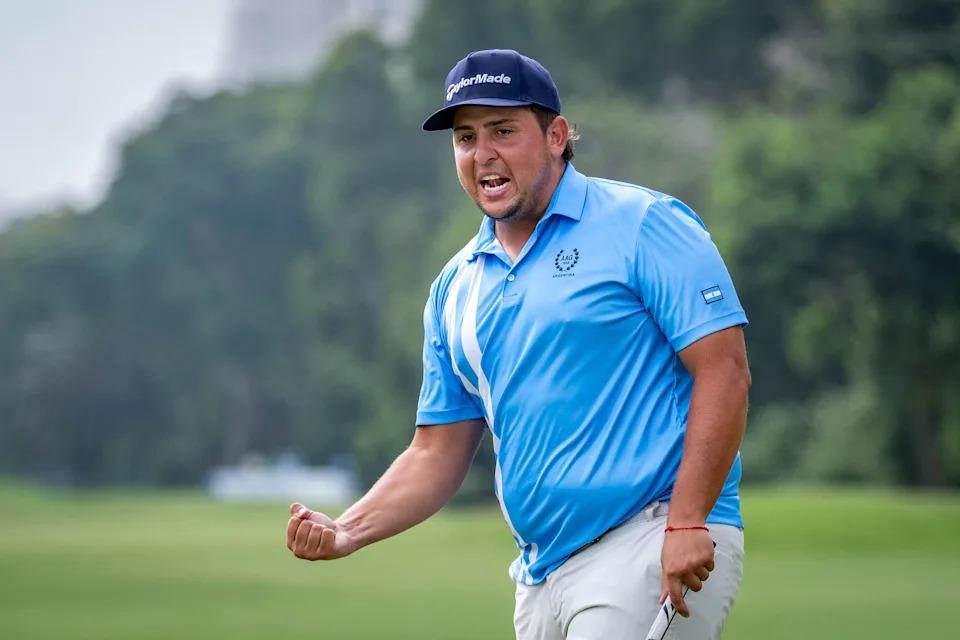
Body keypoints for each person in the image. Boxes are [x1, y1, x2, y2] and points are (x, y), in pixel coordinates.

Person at [286, 48, 751, 640]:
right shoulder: (455, 286)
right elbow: (436, 452)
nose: (482, 153)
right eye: (465, 138)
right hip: (539, 574)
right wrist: (348, 529)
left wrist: (686, 521)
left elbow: (724, 371)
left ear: (556, 136)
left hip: (651, 538)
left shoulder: (644, 223)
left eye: (503, 131)